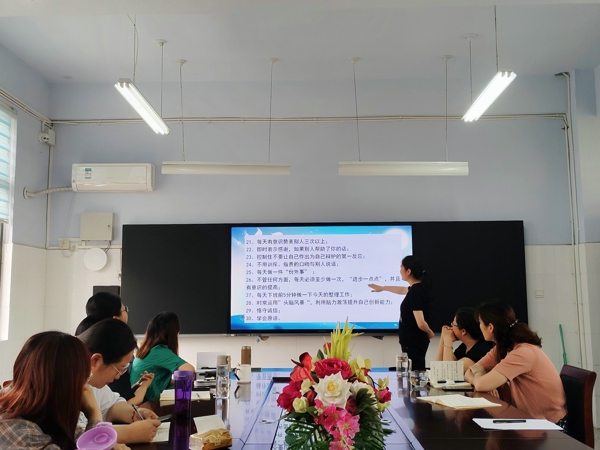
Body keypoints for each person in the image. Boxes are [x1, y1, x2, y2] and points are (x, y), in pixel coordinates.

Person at [0, 331, 129, 450]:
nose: (84, 387)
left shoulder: (45, 410)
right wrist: (94, 413)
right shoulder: (17, 431)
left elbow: (73, 436)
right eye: (83, 379)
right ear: (65, 385)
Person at [464, 300, 567, 429]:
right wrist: (481, 377)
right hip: (527, 421)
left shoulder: (522, 352)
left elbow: (480, 384)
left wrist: (479, 373)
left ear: (490, 327)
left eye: (480, 323)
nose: (479, 327)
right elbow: (468, 373)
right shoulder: (502, 348)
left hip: (549, 426)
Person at [78, 319, 161, 444]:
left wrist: (134, 413)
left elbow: (111, 405)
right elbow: (76, 435)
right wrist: (129, 434)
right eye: (119, 369)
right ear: (96, 360)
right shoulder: (64, 381)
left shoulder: (91, 380)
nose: (117, 377)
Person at [75, 293, 154, 405]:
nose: (117, 376)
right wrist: (144, 387)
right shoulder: (111, 351)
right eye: (120, 368)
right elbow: (122, 404)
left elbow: (114, 403)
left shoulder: (98, 385)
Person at [369, 255, 434, 370]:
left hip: (414, 342)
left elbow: (420, 322)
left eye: (401, 267)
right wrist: (383, 288)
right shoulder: (416, 288)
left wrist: (429, 332)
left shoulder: (415, 292)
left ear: (408, 271)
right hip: (413, 342)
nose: (400, 270)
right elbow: (402, 289)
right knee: (414, 371)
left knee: (415, 372)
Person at [131, 312, 195, 403]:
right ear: (173, 332)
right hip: (147, 401)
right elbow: (189, 370)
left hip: (138, 396)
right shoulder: (159, 351)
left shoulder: (148, 350)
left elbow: (160, 380)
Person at [436, 307, 494, 373]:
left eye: (453, 324)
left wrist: (448, 340)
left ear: (463, 331)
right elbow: (439, 366)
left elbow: (449, 372)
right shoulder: (465, 346)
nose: (451, 328)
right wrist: (443, 338)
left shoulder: (482, 349)